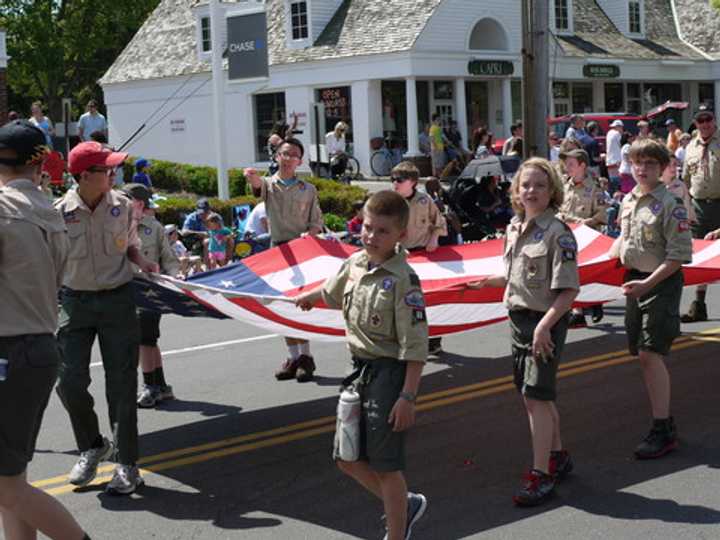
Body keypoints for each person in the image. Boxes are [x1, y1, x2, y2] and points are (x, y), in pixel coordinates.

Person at [294, 190, 429, 540]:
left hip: (389, 374)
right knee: (347, 458)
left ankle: (397, 531)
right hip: (358, 372)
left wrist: (408, 397)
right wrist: (307, 299)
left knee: (386, 464)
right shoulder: (355, 263)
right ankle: (406, 504)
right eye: (367, 227)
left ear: (400, 236)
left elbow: (415, 346)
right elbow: (332, 292)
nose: (371, 236)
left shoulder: (404, 281)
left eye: (382, 231)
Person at [0, 120, 93, 540]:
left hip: (8, 351)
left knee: (7, 486)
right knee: (12, 481)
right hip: (37, 349)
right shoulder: (49, 212)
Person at [468, 157, 579, 506]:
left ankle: (541, 474)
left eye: (540, 186)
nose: (531, 191)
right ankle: (557, 455)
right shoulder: (515, 227)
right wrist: (484, 282)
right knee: (536, 394)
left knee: (536, 396)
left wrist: (545, 326)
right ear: (516, 190)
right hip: (519, 321)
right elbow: (512, 274)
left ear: (552, 192)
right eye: (525, 185)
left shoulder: (558, 233)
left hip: (544, 322)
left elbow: (568, 290)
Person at [54, 141, 158, 495]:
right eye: (106, 169)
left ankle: (128, 464)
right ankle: (92, 445)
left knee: (122, 386)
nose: (113, 175)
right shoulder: (58, 211)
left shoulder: (124, 205)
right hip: (74, 302)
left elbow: (130, 245)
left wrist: (142, 261)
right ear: (84, 176)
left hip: (117, 300)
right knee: (68, 382)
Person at [610, 138, 692, 459]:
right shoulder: (629, 200)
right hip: (634, 282)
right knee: (641, 353)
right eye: (637, 163)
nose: (642, 169)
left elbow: (677, 258)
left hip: (661, 283)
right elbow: (623, 238)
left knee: (649, 353)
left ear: (663, 168)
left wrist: (646, 285)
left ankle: (663, 428)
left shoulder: (671, 205)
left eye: (650, 164)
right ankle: (662, 421)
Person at [244, 138, 324, 382]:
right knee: (282, 305)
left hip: (301, 252)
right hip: (278, 252)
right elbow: (258, 188)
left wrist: (309, 234)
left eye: (293, 155)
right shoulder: (270, 185)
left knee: (301, 304)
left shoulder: (308, 190)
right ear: (277, 157)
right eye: (284, 153)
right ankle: (292, 357)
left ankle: (305, 357)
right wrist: (252, 177)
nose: (288, 158)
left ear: (300, 161)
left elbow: (317, 222)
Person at [121, 183, 181, 409]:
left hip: (148, 290)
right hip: (124, 289)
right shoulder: (117, 223)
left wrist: (173, 281)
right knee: (149, 340)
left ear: (138, 203)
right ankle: (161, 385)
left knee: (143, 339)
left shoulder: (153, 227)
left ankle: (149, 387)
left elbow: (169, 259)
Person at [391, 161, 446, 356]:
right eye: (392, 179)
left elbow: (439, 222)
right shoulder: (391, 202)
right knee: (401, 300)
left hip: (423, 255)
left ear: (413, 182)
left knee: (426, 299)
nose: (395, 183)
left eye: (399, 179)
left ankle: (434, 339)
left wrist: (434, 238)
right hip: (399, 256)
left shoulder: (425, 201)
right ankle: (404, 340)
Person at [557, 149, 608, 327]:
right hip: (565, 238)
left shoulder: (594, 188)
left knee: (587, 274)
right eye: (566, 164)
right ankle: (577, 311)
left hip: (587, 238)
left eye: (571, 164)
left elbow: (602, 216)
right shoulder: (564, 186)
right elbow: (558, 209)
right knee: (570, 275)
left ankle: (595, 302)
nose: (567, 168)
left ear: (582, 166)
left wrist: (581, 223)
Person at [680, 105, 720, 323]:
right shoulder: (691, 147)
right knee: (700, 257)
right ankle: (699, 304)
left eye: (708, 119)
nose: (704, 124)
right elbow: (686, 180)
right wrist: (687, 208)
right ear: (695, 123)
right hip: (699, 207)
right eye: (700, 120)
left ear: (714, 120)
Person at [605, 119, 624, 193]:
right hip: (617, 160)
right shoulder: (617, 134)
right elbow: (621, 144)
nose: (622, 130)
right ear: (618, 127)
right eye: (621, 128)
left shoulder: (609, 133)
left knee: (612, 181)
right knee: (617, 182)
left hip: (609, 161)